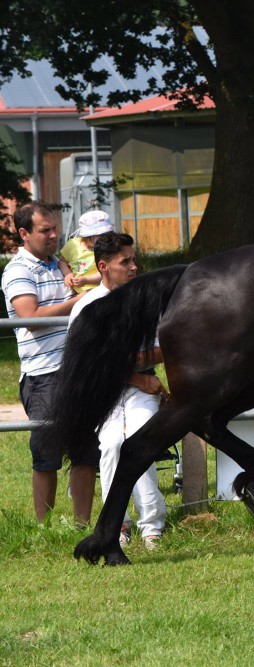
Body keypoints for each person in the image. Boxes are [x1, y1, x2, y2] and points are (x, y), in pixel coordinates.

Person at [68, 232, 168, 549]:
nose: (134, 267)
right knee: (112, 445)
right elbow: (84, 363)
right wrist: (135, 374)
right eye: (125, 261)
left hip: (141, 391)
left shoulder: (145, 302)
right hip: (105, 395)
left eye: (134, 259)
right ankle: (119, 523)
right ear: (103, 266)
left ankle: (151, 525)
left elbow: (159, 351)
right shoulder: (85, 307)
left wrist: (115, 361)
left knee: (139, 441)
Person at [1, 201, 93, 525]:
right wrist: (77, 303)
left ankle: (82, 526)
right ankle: (45, 531)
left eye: (55, 228)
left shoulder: (60, 264)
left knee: (86, 450)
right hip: (44, 376)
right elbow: (30, 318)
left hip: (78, 370)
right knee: (46, 455)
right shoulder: (18, 270)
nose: (54, 235)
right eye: (45, 230)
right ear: (24, 233)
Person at [57, 209, 114, 293]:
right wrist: (68, 274)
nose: (106, 239)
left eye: (108, 235)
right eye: (101, 235)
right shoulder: (73, 245)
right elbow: (62, 262)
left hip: (99, 290)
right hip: (75, 291)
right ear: (88, 236)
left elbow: (106, 272)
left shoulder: (108, 249)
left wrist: (87, 280)